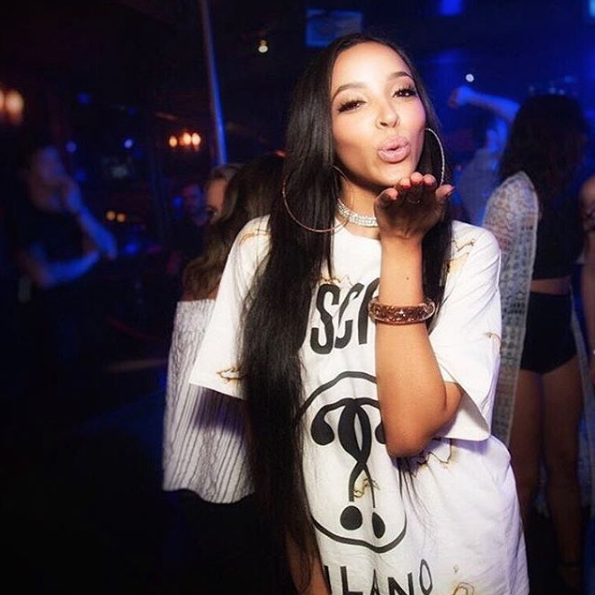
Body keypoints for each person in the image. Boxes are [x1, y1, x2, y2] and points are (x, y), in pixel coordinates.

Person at [190, 33, 528, 594]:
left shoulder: (470, 251)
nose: (389, 116)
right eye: (353, 102)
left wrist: (402, 246)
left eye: (403, 92)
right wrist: (307, 573)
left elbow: (409, 430)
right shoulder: (260, 250)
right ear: (321, 133)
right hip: (337, 552)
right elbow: (270, 435)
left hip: (459, 557)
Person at [483, 94, 595, 594]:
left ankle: (572, 572)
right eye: (576, 130)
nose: (584, 138)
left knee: (565, 462)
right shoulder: (512, 195)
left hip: (560, 332)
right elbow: (484, 274)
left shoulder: (580, 191)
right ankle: (519, 580)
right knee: (523, 474)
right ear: (556, 135)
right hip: (519, 337)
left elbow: (589, 272)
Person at [162, 152, 285, 594]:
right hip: (231, 479)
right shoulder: (231, 284)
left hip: (208, 473)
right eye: (211, 211)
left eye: (220, 212)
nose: (212, 223)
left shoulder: (216, 277)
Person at [8, 133, 117, 426]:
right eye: (45, 162)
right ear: (27, 173)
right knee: (63, 408)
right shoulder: (21, 216)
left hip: (88, 316)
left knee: (100, 404)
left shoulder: (72, 207)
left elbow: (109, 248)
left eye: (56, 160)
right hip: (48, 327)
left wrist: (79, 210)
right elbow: (44, 277)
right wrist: (88, 261)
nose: (55, 168)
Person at [448, 85, 519, 226]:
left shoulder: (463, 177)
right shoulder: (505, 166)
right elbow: (518, 114)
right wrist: (471, 96)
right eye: (505, 126)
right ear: (492, 133)